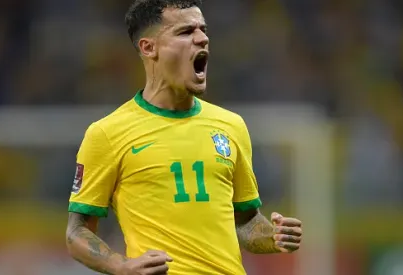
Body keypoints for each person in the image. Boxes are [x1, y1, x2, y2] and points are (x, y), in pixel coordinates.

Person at [65, 1, 303, 274]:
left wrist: (273, 236)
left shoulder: (230, 126)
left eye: (203, 29)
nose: (202, 38)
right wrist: (121, 266)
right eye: (185, 32)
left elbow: (245, 222)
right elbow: (77, 233)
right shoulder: (107, 133)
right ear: (149, 47)